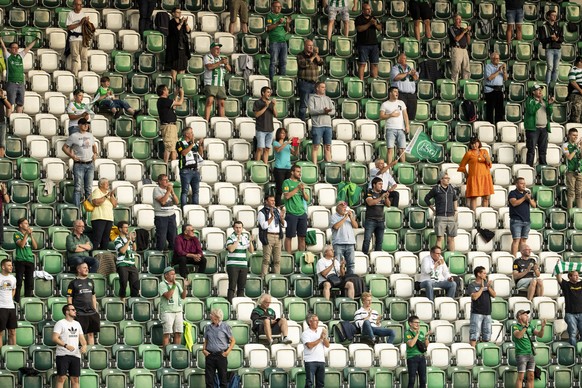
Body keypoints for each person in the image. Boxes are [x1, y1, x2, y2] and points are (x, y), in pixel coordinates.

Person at [62, 118, 97, 207]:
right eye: (84, 124)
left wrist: (95, 153)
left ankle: (88, 209)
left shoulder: (90, 135)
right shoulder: (74, 136)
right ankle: (77, 208)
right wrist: (72, 156)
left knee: (88, 188)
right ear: (79, 125)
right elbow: (64, 147)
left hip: (90, 163)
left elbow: (94, 145)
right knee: (78, 188)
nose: (86, 125)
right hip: (79, 164)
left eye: (87, 124)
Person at [52, 304, 87, 388]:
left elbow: (82, 339)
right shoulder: (60, 323)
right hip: (63, 354)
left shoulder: (77, 324)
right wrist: (66, 345)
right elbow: (54, 338)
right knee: (61, 378)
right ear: (67, 312)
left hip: (75, 354)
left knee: (75, 379)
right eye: (73, 310)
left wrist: (84, 346)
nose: (75, 311)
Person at [0, 38, 36, 116]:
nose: (16, 49)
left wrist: (35, 40)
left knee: (20, 103)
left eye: (17, 48)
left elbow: (28, 48)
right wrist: (1, 39)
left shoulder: (20, 56)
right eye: (14, 48)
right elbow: (3, 46)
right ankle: (9, 121)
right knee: (10, 103)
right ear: (10, 49)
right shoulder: (8, 56)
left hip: (21, 83)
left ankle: (18, 119)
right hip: (11, 83)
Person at [457, 137, 494, 211]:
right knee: (474, 197)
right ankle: (473, 214)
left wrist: (486, 158)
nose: (474, 145)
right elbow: (462, 165)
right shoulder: (469, 153)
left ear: (478, 143)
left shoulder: (484, 151)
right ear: (470, 145)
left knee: (486, 197)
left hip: (485, 177)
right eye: (472, 144)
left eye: (475, 143)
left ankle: (485, 213)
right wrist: (466, 174)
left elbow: (489, 164)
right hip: (474, 177)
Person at [66, 262, 99, 345]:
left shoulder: (91, 281)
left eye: (87, 267)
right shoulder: (73, 283)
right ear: (79, 270)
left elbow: (93, 296)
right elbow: (69, 298)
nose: (87, 269)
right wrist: (71, 311)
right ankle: (81, 354)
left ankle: (90, 354)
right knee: (79, 335)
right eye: (84, 268)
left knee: (91, 334)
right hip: (79, 313)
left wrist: (94, 309)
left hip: (91, 312)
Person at [424, 173, 458, 252]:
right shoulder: (436, 189)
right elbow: (426, 199)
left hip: (451, 216)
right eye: (446, 178)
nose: (448, 179)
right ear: (441, 179)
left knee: (451, 238)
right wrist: (433, 209)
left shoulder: (451, 188)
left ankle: (451, 255)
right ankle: (438, 256)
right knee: (440, 238)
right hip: (440, 216)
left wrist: (456, 210)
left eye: (448, 178)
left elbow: (455, 199)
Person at [203, 308, 236, 388]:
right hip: (210, 355)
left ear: (217, 317)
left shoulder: (225, 326)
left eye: (212, 315)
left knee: (223, 380)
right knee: (209, 380)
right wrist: (203, 349)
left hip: (221, 355)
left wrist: (227, 352)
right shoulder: (208, 327)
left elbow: (233, 341)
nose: (210, 316)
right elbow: (206, 340)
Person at [512, 310, 546, 388]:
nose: (527, 316)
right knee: (521, 377)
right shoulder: (515, 326)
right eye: (525, 315)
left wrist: (543, 327)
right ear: (519, 317)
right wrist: (525, 327)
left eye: (527, 315)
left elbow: (540, 335)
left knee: (531, 376)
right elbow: (519, 335)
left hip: (530, 354)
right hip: (521, 354)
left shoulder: (530, 326)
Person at [159, 267, 190, 348]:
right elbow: (168, 296)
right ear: (166, 275)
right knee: (167, 333)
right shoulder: (162, 284)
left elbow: (183, 297)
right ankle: (166, 354)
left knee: (178, 333)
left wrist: (185, 287)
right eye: (172, 274)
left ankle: (176, 351)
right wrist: (173, 285)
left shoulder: (177, 284)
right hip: (167, 312)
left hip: (178, 311)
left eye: (174, 274)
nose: (174, 276)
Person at [524, 84, 554, 167]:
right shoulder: (529, 100)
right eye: (538, 90)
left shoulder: (545, 100)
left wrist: (550, 104)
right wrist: (539, 103)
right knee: (531, 149)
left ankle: (543, 166)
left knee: (543, 149)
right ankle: (529, 166)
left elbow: (549, 112)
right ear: (533, 92)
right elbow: (530, 111)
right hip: (533, 129)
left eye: (541, 89)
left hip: (544, 128)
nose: (540, 91)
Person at [283, 165, 310, 252]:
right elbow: (287, 196)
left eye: (300, 172)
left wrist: (302, 190)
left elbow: (307, 198)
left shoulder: (300, 184)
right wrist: (297, 188)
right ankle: (289, 256)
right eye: (298, 171)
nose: (299, 174)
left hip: (302, 213)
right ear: (292, 172)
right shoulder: (287, 182)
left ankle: (301, 255)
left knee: (302, 237)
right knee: (289, 236)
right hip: (291, 214)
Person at [225, 221, 254, 302]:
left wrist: (250, 242)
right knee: (232, 286)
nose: (238, 229)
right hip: (233, 265)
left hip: (243, 265)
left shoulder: (245, 237)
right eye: (236, 227)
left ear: (242, 228)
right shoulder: (230, 238)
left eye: (240, 227)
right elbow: (231, 249)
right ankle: (230, 303)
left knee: (241, 287)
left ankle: (239, 303)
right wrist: (237, 241)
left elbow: (251, 251)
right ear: (234, 228)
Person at [467, 266, 496, 347]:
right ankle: (472, 353)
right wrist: (482, 288)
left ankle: (483, 352)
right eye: (484, 273)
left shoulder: (487, 284)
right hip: (476, 313)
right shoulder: (472, 285)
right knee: (474, 335)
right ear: (478, 274)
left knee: (487, 335)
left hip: (487, 313)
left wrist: (488, 287)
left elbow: (494, 295)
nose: (485, 275)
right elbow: (474, 297)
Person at [380, 87, 409, 164]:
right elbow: (381, 116)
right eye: (395, 91)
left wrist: (407, 126)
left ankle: (403, 167)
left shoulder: (401, 103)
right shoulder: (385, 104)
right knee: (390, 149)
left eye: (397, 92)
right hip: (390, 129)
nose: (397, 93)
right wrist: (391, 115)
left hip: (401, 129)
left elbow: (405, 115)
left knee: (402, 149)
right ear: (390, 93)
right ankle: (389, 169)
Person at [508, 177, 537, 257]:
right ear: (516, 184)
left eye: (524, 183)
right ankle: (514, 259)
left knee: (523, 240)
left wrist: (529, 199)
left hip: (526, 220)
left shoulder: (527, 193)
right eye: (521, 183)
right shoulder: (512, 193)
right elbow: (514, 203)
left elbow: (534, 205)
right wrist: (524, 198)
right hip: (516, 220)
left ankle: (522, 257)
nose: (524, 185)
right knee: (516, 239)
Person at [258, 195, 286, 276]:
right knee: (266, 260)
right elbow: (263, 226)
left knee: (277, 260)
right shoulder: (262, 212)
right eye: (271, 200)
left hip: (278, 236)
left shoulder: (277, 210)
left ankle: (277, 278)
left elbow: (284, 225)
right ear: (266, 201)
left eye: (274, 200)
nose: (273, 202)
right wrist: (271, 218)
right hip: (268, 236)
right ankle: (264, 278)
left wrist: (281, 218)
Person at [309, 82, 335, 165]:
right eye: (322, 87)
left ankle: (329, 164)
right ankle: (315, 165)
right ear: (317, 88)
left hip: (328, 125)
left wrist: (327, 112)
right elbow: (311, 111)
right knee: (315, 146)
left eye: (324, 87)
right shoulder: (312, 98)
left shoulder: (328, 98)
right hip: (317, 125)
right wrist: (323, 111)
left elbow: (333, 111)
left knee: (327, 146)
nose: (324, 88)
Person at [176, 126, 204, 207]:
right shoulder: (180, 143)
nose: (193, 134)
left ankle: (195, 208)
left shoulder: (194, 144)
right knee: (185, 191)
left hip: (195, 170)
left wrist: (200, 146)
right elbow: (184, 153)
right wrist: (192, 144)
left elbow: (200, 155)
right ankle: (184, 208)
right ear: (187, 134)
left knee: (196, 191)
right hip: (185, 170)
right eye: (191, 133)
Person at [362, 177, 390, 254]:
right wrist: (381, 197)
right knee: (367, 240)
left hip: (381, 220)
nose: (381, 186)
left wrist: (386, 198)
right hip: (370, 220)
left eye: (382, 184)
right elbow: (370, 203)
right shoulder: (369, 192)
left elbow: (388, 205)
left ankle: (377, 256)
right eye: (379, 184)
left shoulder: (383, 192)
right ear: (374, 185)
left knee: (379, 241)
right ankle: (364, 255)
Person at [203, 43, 231, 122]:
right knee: (210, 101)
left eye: (219, 49)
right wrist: (220, 63)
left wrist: (225, 63)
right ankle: (206, 120)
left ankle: (222, 121)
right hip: (211, 82)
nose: (218, 50)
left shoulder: (221, 58)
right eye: (216, 49)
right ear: (211, 49)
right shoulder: (207, 57)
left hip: (220, 83)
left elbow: (229, 69)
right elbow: (209, 67)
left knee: (222, 103)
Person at [297, 40, 324, 121]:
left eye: (312, 45)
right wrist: (313, 57)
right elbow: (303, 64)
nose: (311, 47)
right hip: (305, 83)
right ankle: (302, 122)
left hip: (315, 84)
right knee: (304, 105)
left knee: (314, 105)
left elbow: (321, 62)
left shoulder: (315, 55)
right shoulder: (300, 55)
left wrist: (316, 55)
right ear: (305, 46)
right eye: (309, 45)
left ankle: (313, 122)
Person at [114, 221, 140, 302]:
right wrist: (128, 241)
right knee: (123, 283)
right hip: (122, 264)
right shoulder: (117, 240)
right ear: (120, 229)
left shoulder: (128, 238)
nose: (127, 229)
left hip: (131, 264)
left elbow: (135, 249)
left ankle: (133, 301)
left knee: (135, 284)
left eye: (127, 227)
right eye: (125, 227)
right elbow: (122, 251)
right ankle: (122, 301)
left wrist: (133, 240)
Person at [157, 84, 184, 163]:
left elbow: (173, 106)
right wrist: (182, 94)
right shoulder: (163, 101)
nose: (168, 91)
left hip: (171, 126)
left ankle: (173, 164)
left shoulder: (164, 101)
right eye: (167, 89)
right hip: (168, 126)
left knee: (173, 147)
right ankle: (166, 164)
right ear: (163, 91)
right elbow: (179, 103)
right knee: (169, 148)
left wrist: (175, 95)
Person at [272, 128, 299, 207]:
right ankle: (277, 206)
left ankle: (288, 206)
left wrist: (297, 145)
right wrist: (287, 143)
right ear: (278, 134)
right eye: (282, 133)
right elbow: (278, 150)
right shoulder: (275, 143)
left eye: (284, 133)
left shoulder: (288, 144)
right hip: (279, 169)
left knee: (289, 188)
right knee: (280, 189)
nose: (283, 134)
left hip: (288, 168)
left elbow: (295, 154)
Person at [301, 313, 330, 388]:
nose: (317, 322)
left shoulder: (320, 331)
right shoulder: (305, 333)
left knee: (321, 383)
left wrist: (324, 337)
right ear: (310, 322)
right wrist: (320, 339)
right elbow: (309, 345)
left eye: (318, 321)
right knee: (309, 383)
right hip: (310, 360)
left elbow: (327, 345)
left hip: (321, 360)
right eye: (315, 321)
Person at [329, 201, 357, 275]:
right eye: (342, 206)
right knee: (337, 264)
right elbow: (336, 227)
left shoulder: (349, 217)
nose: (344, 208)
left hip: (350, 243)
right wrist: (345, 218)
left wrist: (351, 218)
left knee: (351, 264)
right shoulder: (333, 217)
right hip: (338, 243)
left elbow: (356, 226)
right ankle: (338, 280)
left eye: (345, 206)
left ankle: (351, 279)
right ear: (337, 208)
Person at [355, 2, 381, 80]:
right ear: (363, 10)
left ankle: (375, 81)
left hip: (374, 45)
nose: (369, 11)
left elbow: (380, 28)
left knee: (375, 64)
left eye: (370, 9)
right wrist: (369, 24)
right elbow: (359, 29)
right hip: (363, 45)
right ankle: (361, 81)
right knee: (362, 64)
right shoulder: (359, 18)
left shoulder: (374, 18)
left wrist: (375, 24)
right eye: (367, 9)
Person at [556, 269, 582, 346]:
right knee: (572, 333)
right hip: (570, 314)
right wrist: (558, 268)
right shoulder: (566, 285)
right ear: (570, 276)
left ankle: (580, 351)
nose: (577, 277)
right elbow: (559, 278)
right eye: (575, 275)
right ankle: (574, 352)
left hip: (581, 313)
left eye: (578, 275)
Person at [14, 218, 37, 304]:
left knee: (29, 282)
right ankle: (17, 300)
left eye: (27, 223)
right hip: (20, 260)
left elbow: (35, 247)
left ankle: (27, 300)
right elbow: (22, 245)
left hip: (29, 260)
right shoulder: (16, 234)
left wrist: (31, 235)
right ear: (20, 225)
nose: (27, 225)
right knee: (19, 282)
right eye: (25, 223)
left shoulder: (29, 235)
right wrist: (26, 235)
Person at [153, 174, 179, 251]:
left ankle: (172, 256)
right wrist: (168, 191)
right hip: (161, 217)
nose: (167, 181)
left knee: (173, 238)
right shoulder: (157, 190)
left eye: (167, 180)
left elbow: (177, 202)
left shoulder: (169, 190)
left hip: (171, 215)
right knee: (161, 239)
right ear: (160, 181)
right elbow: (163, 202)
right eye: (165, 180)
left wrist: (172, 192)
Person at [90, 178, 117, 250]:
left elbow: (114, 205)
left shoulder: (108, 193)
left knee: (105, 240)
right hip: (99, 218)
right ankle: (93, 255)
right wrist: (105, 196)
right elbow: (96, 202)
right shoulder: (97, 191)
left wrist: (111, 195)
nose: (108, 184)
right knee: (97, 239)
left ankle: (103, 256)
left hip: (109, 219)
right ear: (101, 184)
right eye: (106, 183)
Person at [391, 53, 419, 121]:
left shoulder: (410, 68)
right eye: (403, 58)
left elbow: (416, 78)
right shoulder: (395, 68)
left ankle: (409, 128)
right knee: (400, 115)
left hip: (411, 95)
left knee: (411, 115)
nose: (405, 60)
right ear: (399, 60)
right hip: (401, 94)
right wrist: (407, 73)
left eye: (405, 58)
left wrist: (414, 74)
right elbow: (396, 77)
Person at [166, 7, 191, 82]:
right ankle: (174, 84)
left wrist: (185, 23)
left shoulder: (182, 22)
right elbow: (175, 31)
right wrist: (181, 23)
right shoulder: (171, 22)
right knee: (174, 67)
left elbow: (188, 31)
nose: (179, 14)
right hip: (174, 48)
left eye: (180, 12)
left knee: (182, 67)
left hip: (183, 47)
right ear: (173, 13)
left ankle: (180, 84)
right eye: (177, 12)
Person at [266, 1, 290, 80]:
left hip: (283, 42)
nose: (279, 8)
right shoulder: (270, 15)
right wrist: (277, 23)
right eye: (277, 6)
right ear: (272, 8)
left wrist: (287, 23)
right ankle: (272, 80)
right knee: (273, 62)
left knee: (283, 62)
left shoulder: (282, 16)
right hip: (274, 42)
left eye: (280, 6)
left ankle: (282, 79)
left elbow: (287, 30)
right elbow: (268, 28)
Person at [254, 86, 277, 164]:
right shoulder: (257, 102)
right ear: (263, 93)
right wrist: (266, 106)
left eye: (270, 92)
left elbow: (276, 115)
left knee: (267, 149)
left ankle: (265, 165)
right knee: (260, 148)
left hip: (270, 129)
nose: (269, 94)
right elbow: (257, 115)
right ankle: (257, 164)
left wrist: (273, 106)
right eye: (267, 92)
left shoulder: (271, 103)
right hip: (261, 129)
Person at [405, 315, 429, 388]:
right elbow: (411, 344)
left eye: (418, 323)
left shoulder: (421, 333)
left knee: (423, 379)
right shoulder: (407, 333)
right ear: (410, 323)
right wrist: (417, 334)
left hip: (421, 357)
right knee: (412, 379)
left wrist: (426, 337)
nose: (417, 324)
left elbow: (426, 346)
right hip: (412, 357)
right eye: (415, 322)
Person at [539, 10, 563, 86]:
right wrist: (551, 39)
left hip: (558, 49)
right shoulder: (543, 27)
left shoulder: (558, 27)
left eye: (555, 15)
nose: (554, 17)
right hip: (549, 49)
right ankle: (547, 84)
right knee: (550, 67)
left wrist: (557, 39)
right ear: (548, 16)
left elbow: (562, 39)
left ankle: (553, 85)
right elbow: (542, 40)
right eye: (553, 15)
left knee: (556, 68)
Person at [66, 0, 89, 77]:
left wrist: (86, 22)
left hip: (83, 38)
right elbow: (69, 27)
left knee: (84, 59)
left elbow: (85, 27)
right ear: (74, 5)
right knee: (75, 59)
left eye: (80, 5)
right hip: (73, 39)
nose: (80, 6)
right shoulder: (70, 14)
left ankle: (85, 75)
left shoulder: (83, 14)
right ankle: (74, 75)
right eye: (78, 5)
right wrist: (80, 23)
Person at [484, 52, 508, 125]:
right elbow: (489, 78)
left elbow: (505, 79)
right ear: (492, 59)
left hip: (499, 90)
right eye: (495, 58)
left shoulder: (501, 66)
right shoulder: (488, 66)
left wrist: (504, 71)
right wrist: (498, 70)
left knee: (499, 111)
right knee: (490, 111)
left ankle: (499, 126)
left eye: (498, 58)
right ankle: (489, 126)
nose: (497, 60)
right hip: (490, 91)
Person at [563, 128, 582, 209]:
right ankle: (570, 212)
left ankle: (579, 213)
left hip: (579, 172)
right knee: (571, 193)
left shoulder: (578, 145)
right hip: (570, 172)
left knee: (579, 193)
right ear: (569, 135)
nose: (575, 137)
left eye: (577, 136)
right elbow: (569, 157)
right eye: (573, 135)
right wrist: (576, 149)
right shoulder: (565, 145)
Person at [448, 14, 471, 83]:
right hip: (456, 49)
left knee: (466, 69)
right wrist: (464, 32)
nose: (460, 21)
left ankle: (465, 85)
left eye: (460, 19)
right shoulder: (451, 28)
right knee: (456, 69)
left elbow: (469, 42)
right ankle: (454, 85)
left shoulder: (462, 29)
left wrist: (468, 33)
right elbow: (456, 39)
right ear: (454, 20)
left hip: (464, 50)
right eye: (458, 19)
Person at [0, 259, 16, 350]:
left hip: (11, 307)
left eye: (11, 265)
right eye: (9, 265)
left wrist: (10, 298)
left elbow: (14, 289)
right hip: (1, 307)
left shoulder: (13, 278)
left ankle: (13, 353)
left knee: (12, 332)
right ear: (3, 267)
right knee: (0, 333)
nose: (11, 267)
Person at [569, 57, 582, 124]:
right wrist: (580, 90)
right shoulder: (573, 69)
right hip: (577, 95)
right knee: (577, 113)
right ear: (580, 61)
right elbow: (572, 81)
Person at [0, 88, 11, 157]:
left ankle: (1, 160)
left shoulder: (2, 99)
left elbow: (9, 106)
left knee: (1, 144)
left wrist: (3, 97)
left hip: (2, 123)